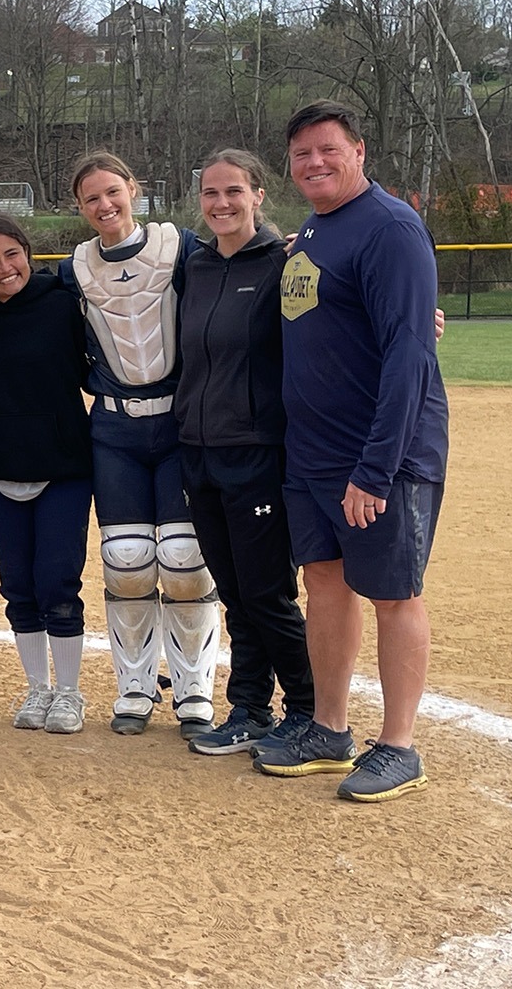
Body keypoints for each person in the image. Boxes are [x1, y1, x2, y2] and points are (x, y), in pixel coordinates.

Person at [253, 100, 448, 803]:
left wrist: (377, 467)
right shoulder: (312, 229)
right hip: (311, 453)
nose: (314, 163)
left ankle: (398, 745)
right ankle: (329, 728)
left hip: (379, 453)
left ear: (359, 151)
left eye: (328, 150)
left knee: (394, 593)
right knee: (325, 585)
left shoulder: (391, 228)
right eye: (302, 154)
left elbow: (408, 357)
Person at [57, 151, 221, 740]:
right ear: (80, 208)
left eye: (113, 192)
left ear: (134, 189)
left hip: (179, 425)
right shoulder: (75, 269)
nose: (105, 206)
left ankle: (195, 685)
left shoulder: (179, 247)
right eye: (91, 199)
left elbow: (242, 267)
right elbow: (30, 315)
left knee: (183, 560)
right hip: (116, 429)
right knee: (126, 561)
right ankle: (135, 684)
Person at [175, 151, 316, 757]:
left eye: (234, 191)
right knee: (234, 592)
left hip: (258, 450)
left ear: (259, 194)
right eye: (210, 193)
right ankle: (250, 707)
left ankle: (310, 709)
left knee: (267, 593)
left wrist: (423, 319)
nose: (221, 203)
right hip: (198, 450)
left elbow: (336, 323)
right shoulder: (197, 266)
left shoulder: (286, 264)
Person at [0, 215, 95, 736]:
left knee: (57, 580)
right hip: (1, 464)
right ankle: (38, 688)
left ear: (27, 252)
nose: (4, 269)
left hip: (62, 464)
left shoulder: (62, 302)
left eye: (11, 255)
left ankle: (69, 692)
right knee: (18, 584)